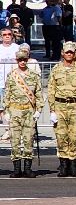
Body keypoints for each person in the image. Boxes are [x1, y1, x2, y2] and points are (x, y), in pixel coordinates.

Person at [47, 40, 76, 177]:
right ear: (62, 53)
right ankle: (64, 165)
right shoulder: (56, 69)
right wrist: (52, 110)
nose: (69, 54)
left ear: (75, 54)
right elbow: (51, 90)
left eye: (71, 52)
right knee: (61, 136)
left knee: (74, 137)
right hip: (59, 106)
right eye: (67, 52)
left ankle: (73, 165)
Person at [3, 47, 39, 177]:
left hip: (29, 111)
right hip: (15, 110)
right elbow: (7, 94)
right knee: (15, 140)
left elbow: (39, 94)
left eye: (24, 59)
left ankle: (27, 168)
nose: (22, 62)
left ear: (27, 60)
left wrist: (39, 110)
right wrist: (6, 110)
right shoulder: (12, 76)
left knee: (29, 139)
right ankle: (17, 169)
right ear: (16, 60)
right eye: (20, 60)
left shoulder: (34, 76)